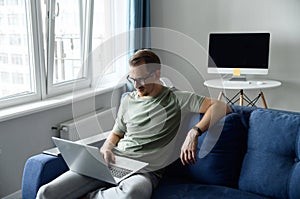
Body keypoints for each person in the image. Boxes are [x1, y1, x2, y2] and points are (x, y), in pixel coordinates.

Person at [36, 49, 231, 199]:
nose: (136, 85)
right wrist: (106, 148)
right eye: (132, 79)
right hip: (112, 163)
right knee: (46, 193)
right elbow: (117, 132)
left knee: (134, 194)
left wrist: (194, 132)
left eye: (142, 79)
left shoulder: (177, 98)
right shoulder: (127, 100)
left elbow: (222, 106)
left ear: (156, 73)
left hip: (145, 171)